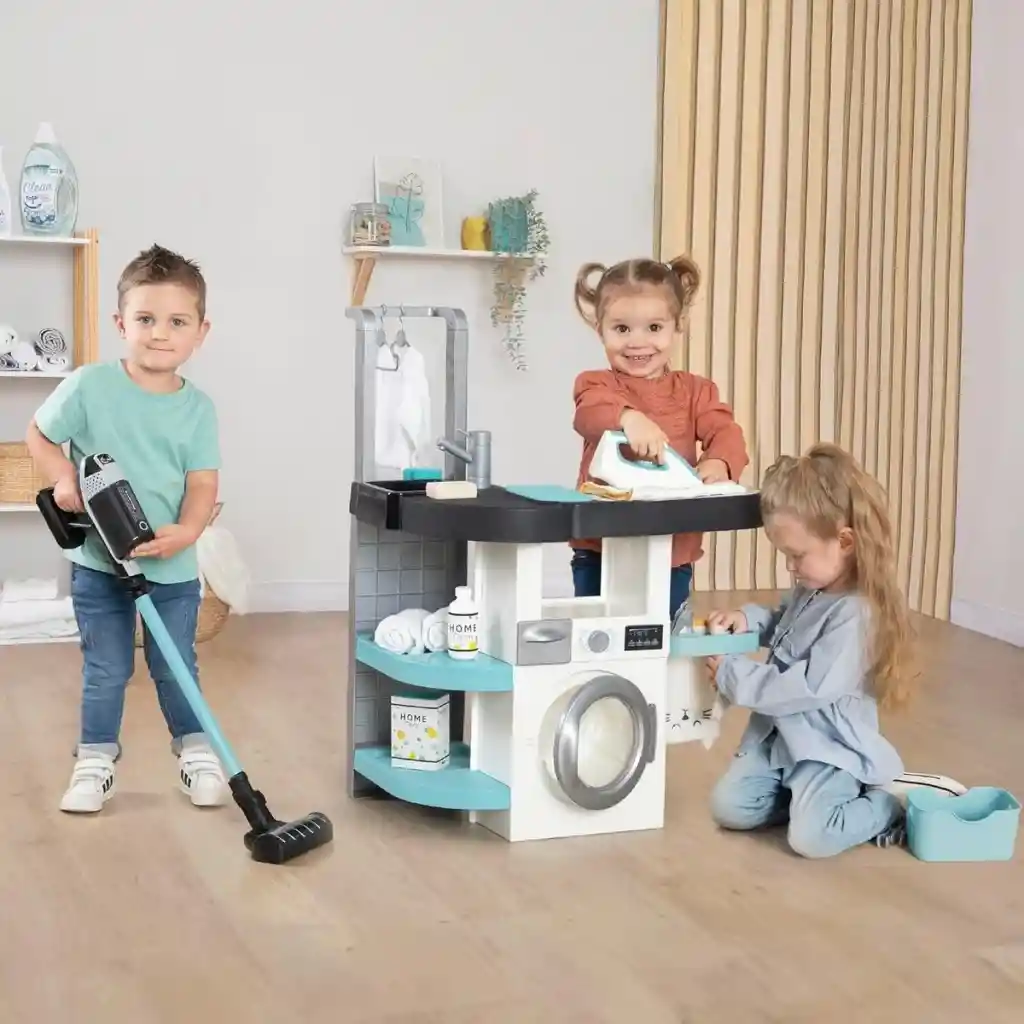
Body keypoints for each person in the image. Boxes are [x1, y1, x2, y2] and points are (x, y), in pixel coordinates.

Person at [25, 243, 228, 814]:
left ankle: (197, 754)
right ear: (121, 323)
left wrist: (188, 532)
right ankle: (95, 762)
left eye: (177, 322)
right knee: (107, 668)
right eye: (145, 319)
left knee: (175, 666)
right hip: (99, 564)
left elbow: (203, 484)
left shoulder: (199, 410)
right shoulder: (89, 386)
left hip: (172, 570)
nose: (160, 333)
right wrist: (63, 475)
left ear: (201, 332)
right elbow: (39, 434)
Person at [705, 443, 923, 857]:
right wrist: (748, 620)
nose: (791, 566)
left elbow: (809, 686)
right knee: (729, 807)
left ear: (845, 541)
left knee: (811, 839)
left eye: (797, 555)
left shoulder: (856, 613)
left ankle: (887, 805)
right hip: (783, 739)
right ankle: (801, 801)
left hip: (827, 747)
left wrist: (736, 675)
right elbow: (785, 625)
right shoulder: (814, 587)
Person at [570, 255, 749, 619]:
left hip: (672, 552)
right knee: (598, 634)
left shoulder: (697, 392)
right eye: (622, 329)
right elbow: (589, 415)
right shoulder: (595, 385)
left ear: (677, 325)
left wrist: (719, 461)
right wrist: (628, 418)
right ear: (600, 329)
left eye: (653, 327)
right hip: (601, 548)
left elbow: (727, 432)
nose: (638, 343)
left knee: (660, 634)